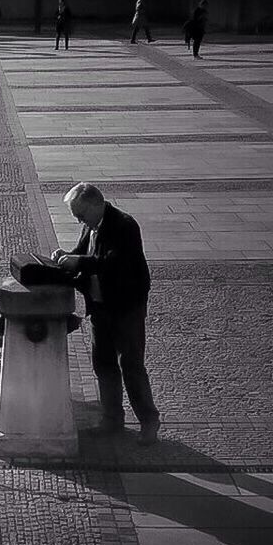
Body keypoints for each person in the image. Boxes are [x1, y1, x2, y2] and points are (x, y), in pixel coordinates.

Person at [50, 183, 159, 445]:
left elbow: (113, 262)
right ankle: (111, 419)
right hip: (100, 308)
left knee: (131, 366)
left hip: (125, 308)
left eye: (80, 214)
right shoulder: (91, 224)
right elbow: (83, 253)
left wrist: (80, 262)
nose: (78, 220)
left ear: (96, 204)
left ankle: (148, 421)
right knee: (104, 364)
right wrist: (66, 256)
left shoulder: (124, 226)